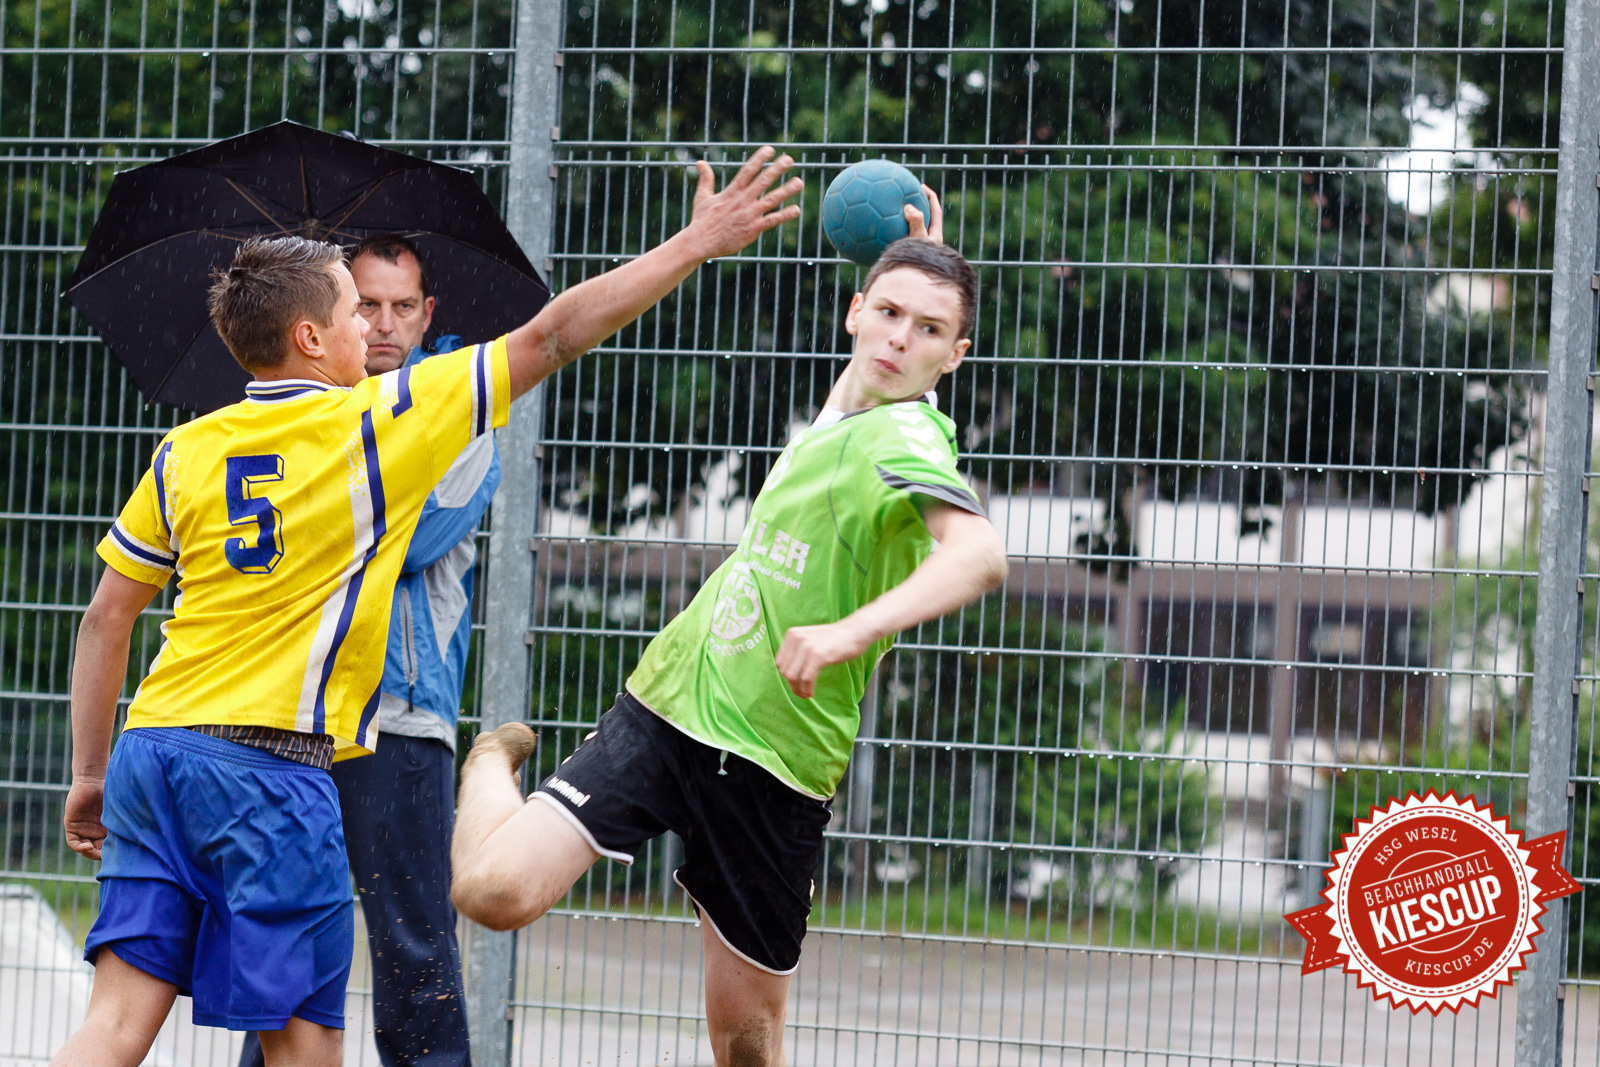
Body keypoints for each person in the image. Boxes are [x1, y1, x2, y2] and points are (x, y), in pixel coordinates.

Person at [53, 146, 802, 1067]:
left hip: (153, 750)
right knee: (304, 1039)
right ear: (311, 341)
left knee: (117, 1023)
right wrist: (692, 244)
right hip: (268, 771)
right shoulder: (380, 418)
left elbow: (106, 617)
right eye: (349, 307)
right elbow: (554, 334)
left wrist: (91, 773)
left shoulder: (186, 450)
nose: (372, 325)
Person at [449, 197, 1011, 1067]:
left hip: (778, 764)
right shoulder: (849, 408)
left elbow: (976, 555)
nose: (901, 337)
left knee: (746, 1049)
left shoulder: (907, 440)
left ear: (953, 358)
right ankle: (490, 759)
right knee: (490, 892)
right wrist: (920, 260)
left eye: (929, 330)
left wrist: (850, 631)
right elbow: (878, 363)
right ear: (855, 311)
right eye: (889, 312)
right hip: (672, 705)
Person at [236, 234, 492, 1067]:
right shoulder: (311, 408)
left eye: (401, 306)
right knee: (284, 947)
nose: (383, 325)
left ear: (428, 316)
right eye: (365, 305)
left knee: (412, 949)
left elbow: (406, 545)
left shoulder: (462, 413)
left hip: (400, 723)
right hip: (298, 719)